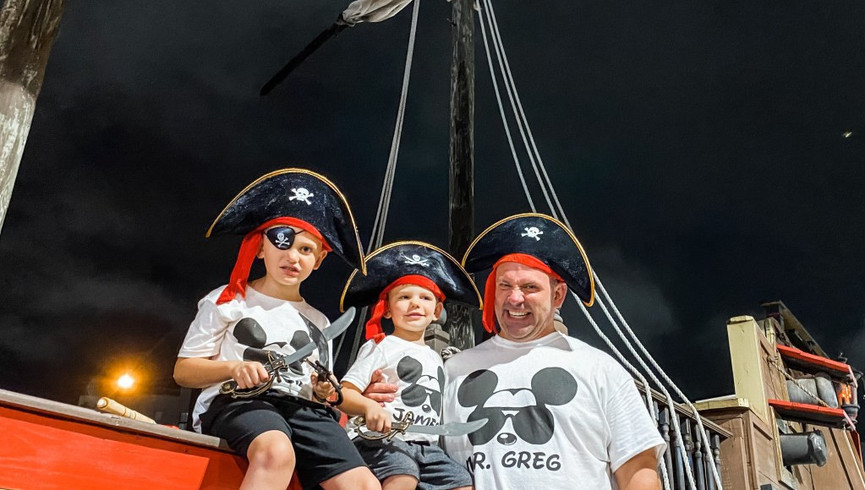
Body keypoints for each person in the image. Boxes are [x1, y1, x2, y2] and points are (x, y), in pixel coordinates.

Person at [365, 213, 665, 490]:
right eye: (504, 285)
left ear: (558, 294)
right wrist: (373, 399)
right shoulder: (452, 369)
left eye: (530, 288)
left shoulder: (599, 368)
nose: (515, 298)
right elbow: (411, 439)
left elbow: (638, 469)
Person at [173, 169, 380, 490]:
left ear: (320, 259)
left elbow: (324, 391)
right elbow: (183, 371)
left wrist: (327, 391)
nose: (293, 257)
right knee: (276, 452)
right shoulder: (227, 300)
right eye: (283, 242)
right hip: (240, 402)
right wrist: (233, 368)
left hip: (305, 409)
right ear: (259, 247)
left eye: (306, 249)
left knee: (364, 484)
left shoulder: (319, 321)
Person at [337, 241, 482, 490]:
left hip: (426, 447)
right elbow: (343, 393)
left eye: (425, 298)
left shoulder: (437, 358)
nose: (415, 304)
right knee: (403, 475)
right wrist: (369, 406)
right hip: (382, 438)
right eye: (404, 297)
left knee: (462, 483)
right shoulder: (381, 346)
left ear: (436, 311)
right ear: (386, 309)